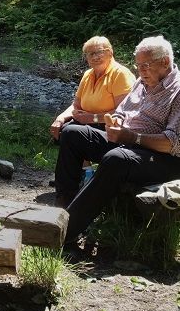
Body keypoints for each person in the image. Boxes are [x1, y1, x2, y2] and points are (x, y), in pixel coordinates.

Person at [55, 35, 180, 245]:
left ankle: (66, 233)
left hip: (164, 158)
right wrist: (115, 122)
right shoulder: (142, 81)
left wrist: (132, 137)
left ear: (165, 62)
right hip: (129, 141)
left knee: (116, 158)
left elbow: (173, 143)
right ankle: (62, 207)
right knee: (73, 134)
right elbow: (123, 110)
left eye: (146, 66)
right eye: (138, 65)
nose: (140, 72)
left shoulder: (177, 91)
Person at [50, 36, 134, 141]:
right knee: (61, 129)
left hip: (110, 128)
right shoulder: (88, 74)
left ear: (110, 53)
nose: (95, 57)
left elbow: (125, 112)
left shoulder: (120, 74)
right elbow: (76, 105)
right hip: (87, 124)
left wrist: (92, 118)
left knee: (70, 132)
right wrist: (60, 118)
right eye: (90, 54)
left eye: (99, 52)